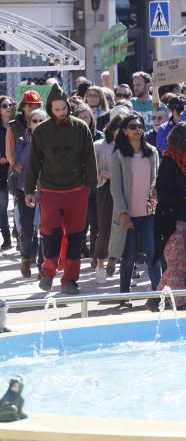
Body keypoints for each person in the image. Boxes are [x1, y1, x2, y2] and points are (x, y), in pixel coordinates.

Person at [24, 84, 98, 294]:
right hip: (50, 191)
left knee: (75, 237)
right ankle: (48, 272)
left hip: (77, 190)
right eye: (56, 109)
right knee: (50, 234)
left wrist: (89, 186)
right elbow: (33, 162)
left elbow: (89, 158)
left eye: (64, 108)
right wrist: (29, 189)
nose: (61, 112)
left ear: (68, 105)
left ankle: (70, 280)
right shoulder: (42, 131)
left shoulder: (80, 127)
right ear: (50, 108)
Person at [109, 113, 160, 305]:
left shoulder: (153, 152)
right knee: (128, 257)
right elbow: (115, 188)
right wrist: (122, 213)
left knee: (153, 255)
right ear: (124, 131)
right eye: (132, 126)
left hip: (149, 214)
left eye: (140, 126)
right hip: (129, 215)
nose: (137, 129)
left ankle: (157, 295)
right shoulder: (118, 155)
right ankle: (124, 295)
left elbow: (156, 181)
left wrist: (156, 204)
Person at [154, 122, 186, 309]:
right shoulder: (168, 161)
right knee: (175, 264)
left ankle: (155, 299)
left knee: (182, 267)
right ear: (185, 140)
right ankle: (180, 305)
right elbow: (164, 194)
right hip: (170, 221)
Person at [14, 109, 46, 276]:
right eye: (35, 121)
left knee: (44, 229)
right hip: (25, 189)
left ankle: (42, 265)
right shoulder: (22, 141)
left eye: (42, 120)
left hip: (47, 190)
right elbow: (20, 162)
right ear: (29, 124)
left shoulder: (52, 140)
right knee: (27, 230)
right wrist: (32, 141)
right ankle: (26, 257)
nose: (39, 124)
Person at [93, 114, 123, 284]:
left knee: (125, 226)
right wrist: (102, 174)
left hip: (126, 190)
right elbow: (90, 169)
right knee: (104, 226)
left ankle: (123, 263)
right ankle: (100, 265)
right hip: (105, 189)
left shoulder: (130, 147)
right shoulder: (99, 145)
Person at [73, 103, 103, 262]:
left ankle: (94, 253)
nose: (84, 119)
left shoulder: (99, 135)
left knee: (96, 219)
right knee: (81, 220)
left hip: (97, 182)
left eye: (87, 116)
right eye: (81, 116)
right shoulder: (71, 135)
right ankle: (80, 247)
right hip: (79, 183)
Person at [0, 96, 14, 250]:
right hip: (1, 172)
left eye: (11, 105)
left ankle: (19, 232)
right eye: (4, 105)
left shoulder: (17, 125)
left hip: (15, 170)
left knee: (18, 204)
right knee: (2, 206)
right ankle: (6, 237)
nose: (8, 108)